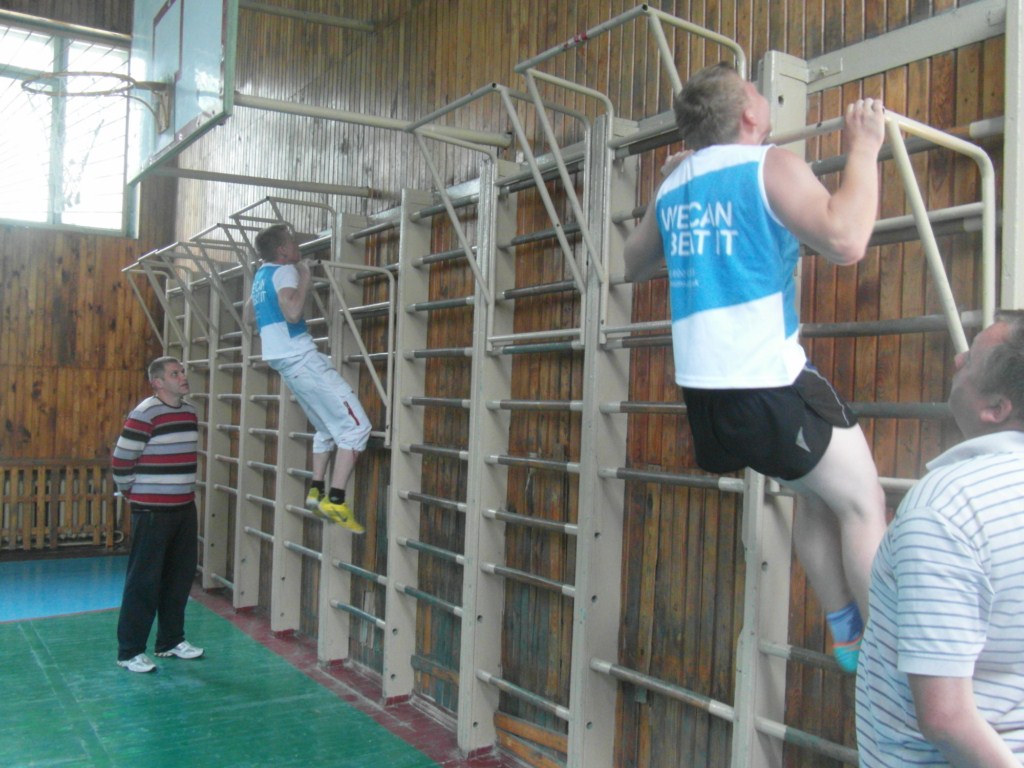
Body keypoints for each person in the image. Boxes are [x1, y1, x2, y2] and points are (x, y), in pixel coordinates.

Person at [623, 62, 888, 672]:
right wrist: (864, 148)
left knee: (815, 496)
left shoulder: (677, 182)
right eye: (759, 94)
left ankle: (848, 635)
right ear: (748, 114)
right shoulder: (768, 164)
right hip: (770, 385)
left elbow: (632, 263)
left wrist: (676, 187)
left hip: (709, 405)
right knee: (863, 503)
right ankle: (893, 659)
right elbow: (846, 240)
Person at [856, 311, 1024, 767]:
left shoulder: (948, 508)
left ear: (996, 409)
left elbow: (946, 718)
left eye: (972, 359)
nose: (958, 359)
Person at [245, 223, 371, 534]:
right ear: (282, 250)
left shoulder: (261, 276)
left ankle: (316, 491)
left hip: (286, 364)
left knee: (326, 428)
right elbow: (292, 311)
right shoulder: (286, 270)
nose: (297, 245)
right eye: (292, 242)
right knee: (357, 428)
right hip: (301, 358)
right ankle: (336, 500)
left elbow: (249, 316)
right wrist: (304, 275)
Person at [112, 356, 204, 673]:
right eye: (175, 373)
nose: (183, 377)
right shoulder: (145, 414)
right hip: (152, 511)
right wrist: (132, 493)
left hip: (184, 509)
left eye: (182, 371)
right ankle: (129, 652)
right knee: (143, 582)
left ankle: (170, 641)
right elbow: (121, 460)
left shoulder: (190, 412)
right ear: (158, 382)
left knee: (179, 578)